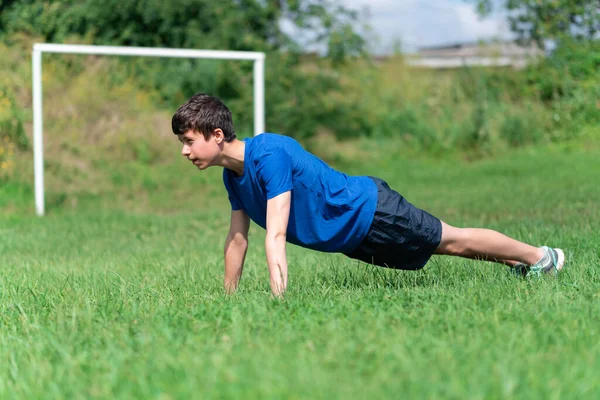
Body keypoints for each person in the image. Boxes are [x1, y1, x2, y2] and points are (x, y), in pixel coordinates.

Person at [171, 93, 565, 297]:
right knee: (444, 248)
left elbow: (273, 234)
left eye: (188, 142)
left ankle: (542, 257)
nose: (185, 152)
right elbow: (237, 241)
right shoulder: (233, 178)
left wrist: (278, 302)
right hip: (352, 237)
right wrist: (228, 301)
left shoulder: (269, 153)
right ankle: (522, 265)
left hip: (370, 210)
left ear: (217, 135)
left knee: (452, 239)